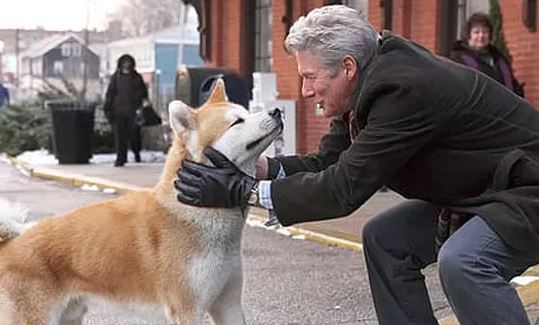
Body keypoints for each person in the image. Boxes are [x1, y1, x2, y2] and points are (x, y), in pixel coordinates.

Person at [174, 5, 539, 325]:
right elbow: (326, 162)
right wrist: (258, 169)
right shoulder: (366, 81)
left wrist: (243, 192)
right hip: (484, 190)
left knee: (463, 263)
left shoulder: (402, 90)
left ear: (346, 67)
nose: (304, 91)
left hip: (526, 190)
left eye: (310, 77)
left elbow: (343, 189)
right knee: (386, 239)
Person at [450, 12, 525, 97]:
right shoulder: (458, 60)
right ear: (468, 36)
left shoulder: (500, 59)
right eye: (476, 32)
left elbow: (513, 85)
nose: (481, 36)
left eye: (485, 31)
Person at [104, 54, 148, 167]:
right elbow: (110, 94)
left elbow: (143, 93)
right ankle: (121, 158)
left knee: (134, 135)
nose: (126, 64)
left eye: (128, 62)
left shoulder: (136, 77)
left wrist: (137, 101)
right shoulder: (116, 77)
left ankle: (136, 152)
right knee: (120, 137)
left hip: (133, 112)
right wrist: (108, 109)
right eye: (124, 62)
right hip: (118, 112)